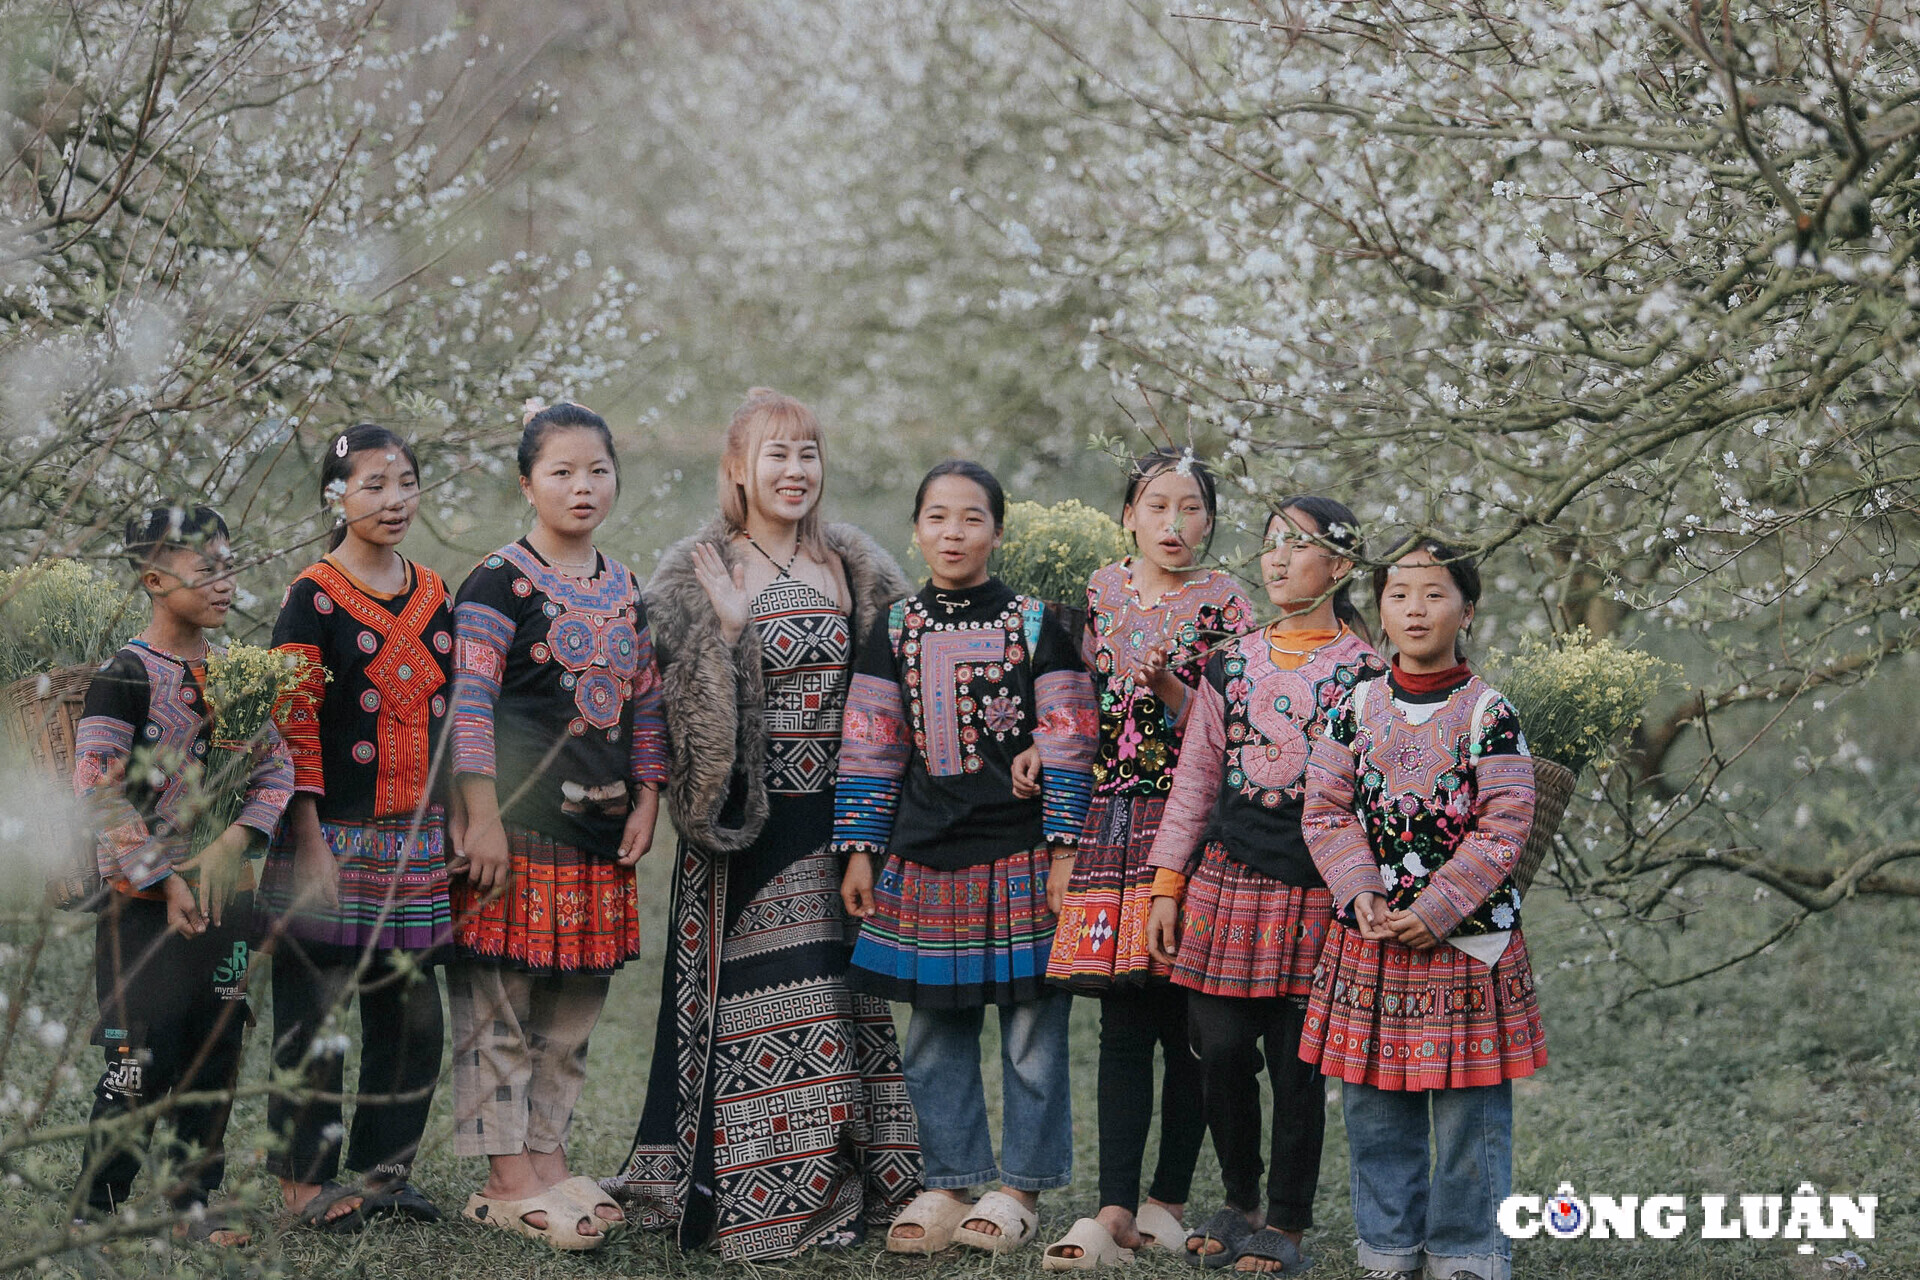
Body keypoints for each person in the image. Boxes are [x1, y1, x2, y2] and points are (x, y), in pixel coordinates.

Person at [606, 389, 922, 1259]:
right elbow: (675, 723)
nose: (794, 471)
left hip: (844, 819)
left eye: (807, 454)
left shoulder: (857, 568)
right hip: (746, 825)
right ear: (737, 470)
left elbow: (899, 692)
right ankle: (755, 1190)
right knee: (759, 1008)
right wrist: (735, 634)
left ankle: (849, 1176)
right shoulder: (698, 573)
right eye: (775, 455)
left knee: (840, 998)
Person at [834, 460, 1098, 1257]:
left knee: (1031, 1030)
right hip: (924, 853)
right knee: (933, 1035)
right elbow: (872, 745)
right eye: (938, 517)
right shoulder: (895, 629)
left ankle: (1019, 1186)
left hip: (1018, 853)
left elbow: (1070, 734)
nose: (954, 533)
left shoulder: (1035, 622)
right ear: (917, 528)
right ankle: (947, 1181)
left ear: (999, 531)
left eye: (972, 518)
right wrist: (860, 849)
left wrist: (1061, 849)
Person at [1145, 498, 1386, 1274]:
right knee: (1216, 1048)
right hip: (1225, 883)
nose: (1278, 559)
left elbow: (1374, 798)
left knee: (1298, 1065)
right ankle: (1239, 1197)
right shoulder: (1232, 661)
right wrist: (1165, 884)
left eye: (1300, 547)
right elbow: (1197, 778)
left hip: (1318, 892)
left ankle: (1284, 1221)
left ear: (1341, 568)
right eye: (1271, 544)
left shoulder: (1367, 674)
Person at [446, 401, 666, 1251]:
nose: (583, 487)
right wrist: (481, 819)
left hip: (601, 831)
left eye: (598, 470)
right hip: (515, 826)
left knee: (573, 1003)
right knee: (498, 999)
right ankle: (507, 1176)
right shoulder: (497, 581)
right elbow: (468, 706)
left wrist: (649, 794)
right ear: (527, 482)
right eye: (562, 471)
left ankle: (550, 1153)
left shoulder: (625, 584)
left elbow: (646, 702)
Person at [1300, 537, 1545, 1280]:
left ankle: (1469, 1249)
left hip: (1467, 943)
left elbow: (1507, 821)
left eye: (1434, 593)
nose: (1415, 608)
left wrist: (1438, 907)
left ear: (1467, 610)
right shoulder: (1357, 707)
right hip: (1371, 938)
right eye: (1399, 592)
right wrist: (1361, 889)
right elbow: (1325, 808)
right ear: (1378, 608)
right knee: (1374, 1104)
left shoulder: (1488, 714)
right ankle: (1388, 1247)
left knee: (1471, 1106)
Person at [1041, 448, 1253, 1270]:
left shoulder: (1229, 603)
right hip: (1109, 820)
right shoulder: (1098, 591)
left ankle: (1167, 1198)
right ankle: (1114, 1205)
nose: (1175, 523)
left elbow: (1240, 729)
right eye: (1158, 505)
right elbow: (1068, 701)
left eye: (1192, 508)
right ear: (1128, 513)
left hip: (1191, 826)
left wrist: (1172, 692)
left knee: (1188, 1024)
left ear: (1210, 519)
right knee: (1123, 1020)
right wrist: (1039, 752)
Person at [71, 505, 295, 1247]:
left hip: (226, 898)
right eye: (209, 570)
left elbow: (276, 769)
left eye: (233, 566)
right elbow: (98, 787)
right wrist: (163, 879)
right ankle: (97, 1206)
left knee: (218, 1043)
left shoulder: (237, 675)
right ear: (154, 578)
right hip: (139, 904)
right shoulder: (124, 676)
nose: (227, 583)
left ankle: (194, 1201)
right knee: (140, 1048)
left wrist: (235, 842)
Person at [260, 424, 455, 1230]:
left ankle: (383, 1175)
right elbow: (291, 723)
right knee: (314, 1010)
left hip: (415, 841)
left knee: (411, 1012)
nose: (393, 499)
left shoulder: (437, 591)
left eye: (404, 481)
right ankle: (305, 1186)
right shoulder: (311, 594)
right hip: (328, 834)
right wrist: (306, 842)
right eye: (371, 484)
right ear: (335, 498)